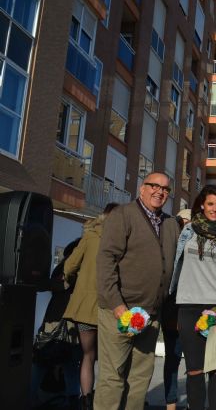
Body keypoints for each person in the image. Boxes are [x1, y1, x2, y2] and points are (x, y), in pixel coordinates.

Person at [94, 172, 181, 410]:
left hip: (150, 316)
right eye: (154, 185)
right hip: (119, 312)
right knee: (113, 378)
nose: (160, 191)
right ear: (142, 188)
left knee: (140, 378)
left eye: (165, 189)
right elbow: (106, 261)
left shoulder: (171, 223)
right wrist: (118, 306)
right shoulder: (123, 215)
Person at [168, 184, 216, 410]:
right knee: (194, 368)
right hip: (187, 305)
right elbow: (177, 263)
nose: (214, 209)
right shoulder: (189, 230)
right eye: (210, 204)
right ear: (202, 204)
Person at [63, 203, 118, 410]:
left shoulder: (91, 236)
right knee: (109, 358)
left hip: (85, 307)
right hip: (112, 307)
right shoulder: (123, 240)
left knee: (87, 356)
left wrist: (77, 280)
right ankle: (104, 401)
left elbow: (69, 266)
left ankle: (86, 400)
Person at [31, 238, 82, 410]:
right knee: (70, 367)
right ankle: (72, 401)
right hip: (71, 322)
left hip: (59, 320)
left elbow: (61, 284)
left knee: (40, 361)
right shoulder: (84, 265)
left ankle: (29, 399)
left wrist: (38, 282)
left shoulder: (72, 265)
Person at [162, 208, 191, 410]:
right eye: (183, 223)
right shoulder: (171, 247)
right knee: (173, 361)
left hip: (187, 313)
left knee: (189, 363)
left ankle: (188, 402)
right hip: (174, 312)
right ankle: (171, 403)